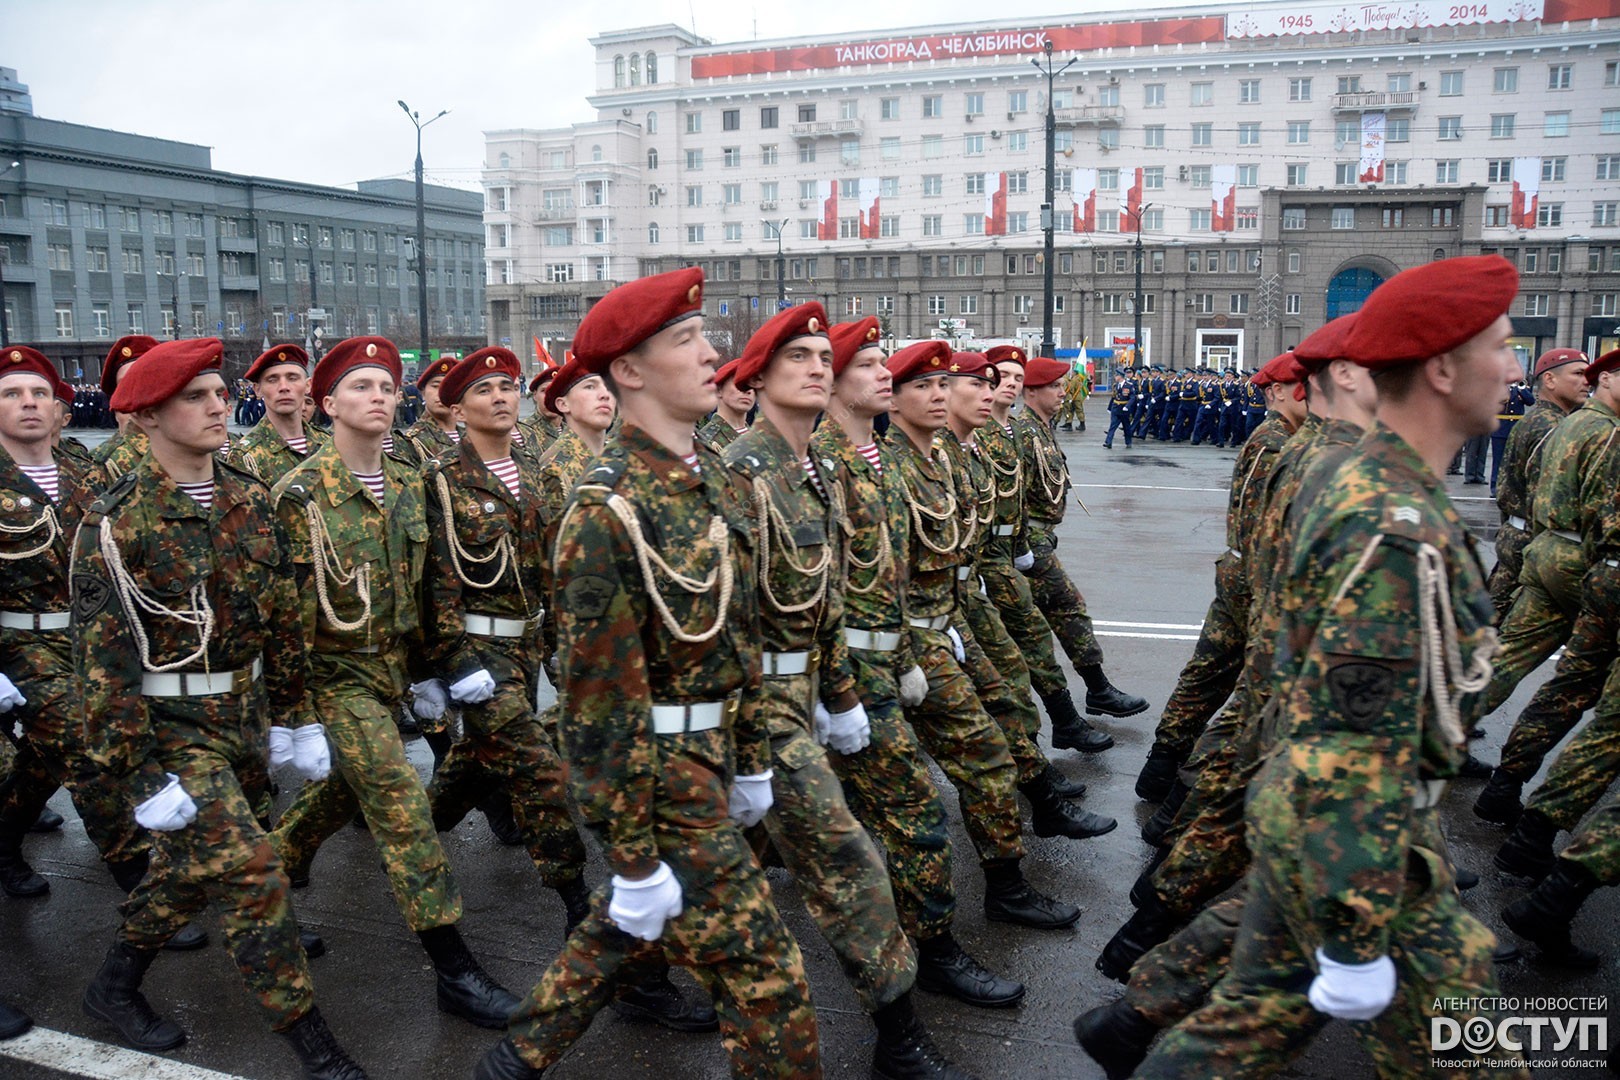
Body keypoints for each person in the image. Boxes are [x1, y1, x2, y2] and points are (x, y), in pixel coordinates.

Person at [1134, 254, 1526, 1079]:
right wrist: (1352, 935)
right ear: (1443, 369)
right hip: (1355, 838)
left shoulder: (1383, 488)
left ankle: (1126, 1026)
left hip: (1331, 823)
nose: (1514, 368)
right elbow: (1353, 749)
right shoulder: (1391, 523)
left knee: (1246, 1023)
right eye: (1501, 346)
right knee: (1471, 1054)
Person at [475, 268, 819, 1080]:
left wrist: (752, 760)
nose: (711, 355)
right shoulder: (604, 511)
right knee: (772, 985)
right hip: (661, 778)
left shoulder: (716, 480)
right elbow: (596, 711)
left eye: (704, 337)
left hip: (716, 757)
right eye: (686, 340)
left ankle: (512, 1060)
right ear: (628, 370)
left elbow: (738, 634)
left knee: (619, 934)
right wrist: (630, 857)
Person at [70, 337, 365, 1079]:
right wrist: (141, 776)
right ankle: (313, 1044)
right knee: (253, 871)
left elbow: (283, 615)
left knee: (186, 869)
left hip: (244, 717)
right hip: (172, 732)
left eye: (217, 393)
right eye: (194, 397)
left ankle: (113, 986)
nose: (216, 407)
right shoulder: (115, 521)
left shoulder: (248, 496)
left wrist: (295, 713)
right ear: (147, 415)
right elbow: (102, 668)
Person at [726, 303, 970, 1079]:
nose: (817, 368)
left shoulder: (815, 471)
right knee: (837, 867)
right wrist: (746, 748)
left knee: (768, 873)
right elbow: (726, 627)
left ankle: (898, 1036)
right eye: (796, 358)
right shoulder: (740, 473)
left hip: (809, 695)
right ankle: (899, 1036)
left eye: (821, 357)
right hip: (758, 708)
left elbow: (826, 603)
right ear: (757, 377)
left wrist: (841, 698)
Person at [269, 336, 520, 1031]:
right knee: (402, 806)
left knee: (342, 793)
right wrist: (296, 714)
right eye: (361, 387)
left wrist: (439, 667)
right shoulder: (298, 497)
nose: (378, 397)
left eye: (386, 386)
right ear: (328, 405)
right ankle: (455, 970)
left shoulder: (409, 483)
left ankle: (258, 877)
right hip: (335, 678)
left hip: (392, 675)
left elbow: (431, 586)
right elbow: (282, 618)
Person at [812, 318, 1023, 1012]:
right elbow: (816, 592)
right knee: (897, 818)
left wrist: (915, 649)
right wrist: (833, 690)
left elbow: (891, 579)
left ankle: (936, 949)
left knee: (935, 791)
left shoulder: (870, 459)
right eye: (870, 366)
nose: (885, 375)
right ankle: (921, 966)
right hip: (844, 675)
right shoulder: (821, 464)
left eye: (885, 364)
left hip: (896, 655)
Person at [882, 340, 1083, 933]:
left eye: (947, 384)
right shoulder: (886, 468)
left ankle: (1017, 860)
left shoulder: (936, 459)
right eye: (926, 385)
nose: (941, 395)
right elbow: (877, 579)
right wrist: (903, 653)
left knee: (999, 721)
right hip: (898, 643)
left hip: (946, 617)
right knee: (877, 808)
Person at [1134, 346, 1313, 805]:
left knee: (1208, 673)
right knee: (1255, 691)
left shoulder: (1280, 437)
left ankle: (1161, 769)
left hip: (1240, 573)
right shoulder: (1277, 443)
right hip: (1254, 578)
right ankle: (1182, 794)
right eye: (1303, 387)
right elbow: (1259, 526)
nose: (1311, 397)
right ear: (1277, 392)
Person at [1470, 347, 1620, 825]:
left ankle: (1443, 742)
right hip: (1574, 559)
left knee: (1508, 656)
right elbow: (1602, 516)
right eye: (1577, 373)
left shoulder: (1570, 423)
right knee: (1578, 681)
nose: (1583, 380)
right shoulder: (1595, 430)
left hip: (1544, 549)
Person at [1013, 357, 1149, 723]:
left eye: (1062, 386)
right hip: (1029, 540)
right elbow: (1012, 495)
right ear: (1031, 392)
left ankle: (1093, 693)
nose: (1063, 393)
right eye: (1055, 386)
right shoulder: (1022, 432)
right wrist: (1021, 546)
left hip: (1042, 537)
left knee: (1050, 617)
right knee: (1065, 609)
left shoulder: (1042, 428)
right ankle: (1090, 696)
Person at [1484, 347, 1588, 620]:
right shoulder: (1551, 426)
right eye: (1578, 374)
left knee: (1494, 622)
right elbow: (1547, 498)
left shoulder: (1541, 419)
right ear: (1550, 380)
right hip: (1532, 543)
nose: (1586, 381)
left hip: (1517, 535)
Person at [225, 344, 328, 486]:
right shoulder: (245, 456)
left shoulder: (327, 443)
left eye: (292, 378)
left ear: (308, 385)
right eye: (272, 380)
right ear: (257, 389)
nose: (284, 387)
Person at [91, 335, 160, 481]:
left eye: (146, 381)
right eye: (126, 385)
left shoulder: (195, 451)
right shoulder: (98, 466)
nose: (137, 393)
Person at [697, 357, 754, 452]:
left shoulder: (759, 438)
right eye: (739, 383)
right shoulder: (706, 442)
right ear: (719, 390)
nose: (748, 390)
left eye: (752, 384)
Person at [1103, 368, 1135, 449]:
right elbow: (1113, 397)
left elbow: (1132, 397)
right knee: (1112, 426)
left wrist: (1127, 406)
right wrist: (1109, 408)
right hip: (1116, 408)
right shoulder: (1115, 385)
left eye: (1116, 375)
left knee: (1126, 427)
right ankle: (1108, 442)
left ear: (1120, 376)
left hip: (1124, 409)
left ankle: (1128, 442)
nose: (1115, 377)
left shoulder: (1129, 385)